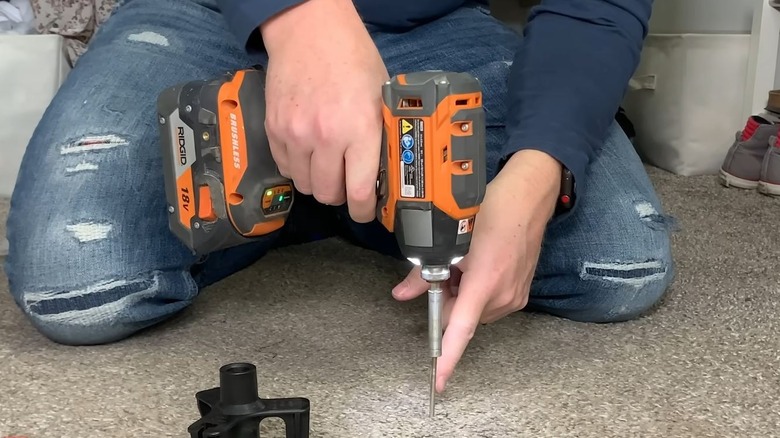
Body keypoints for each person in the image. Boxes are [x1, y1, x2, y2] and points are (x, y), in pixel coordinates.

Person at [4, 0, 675, 395]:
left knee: (616, 266)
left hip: (435, 20)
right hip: (207, 11)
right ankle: (326, 181)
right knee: (80, 281)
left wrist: (539, 171)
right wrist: (297, 16)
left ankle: (336, 183)